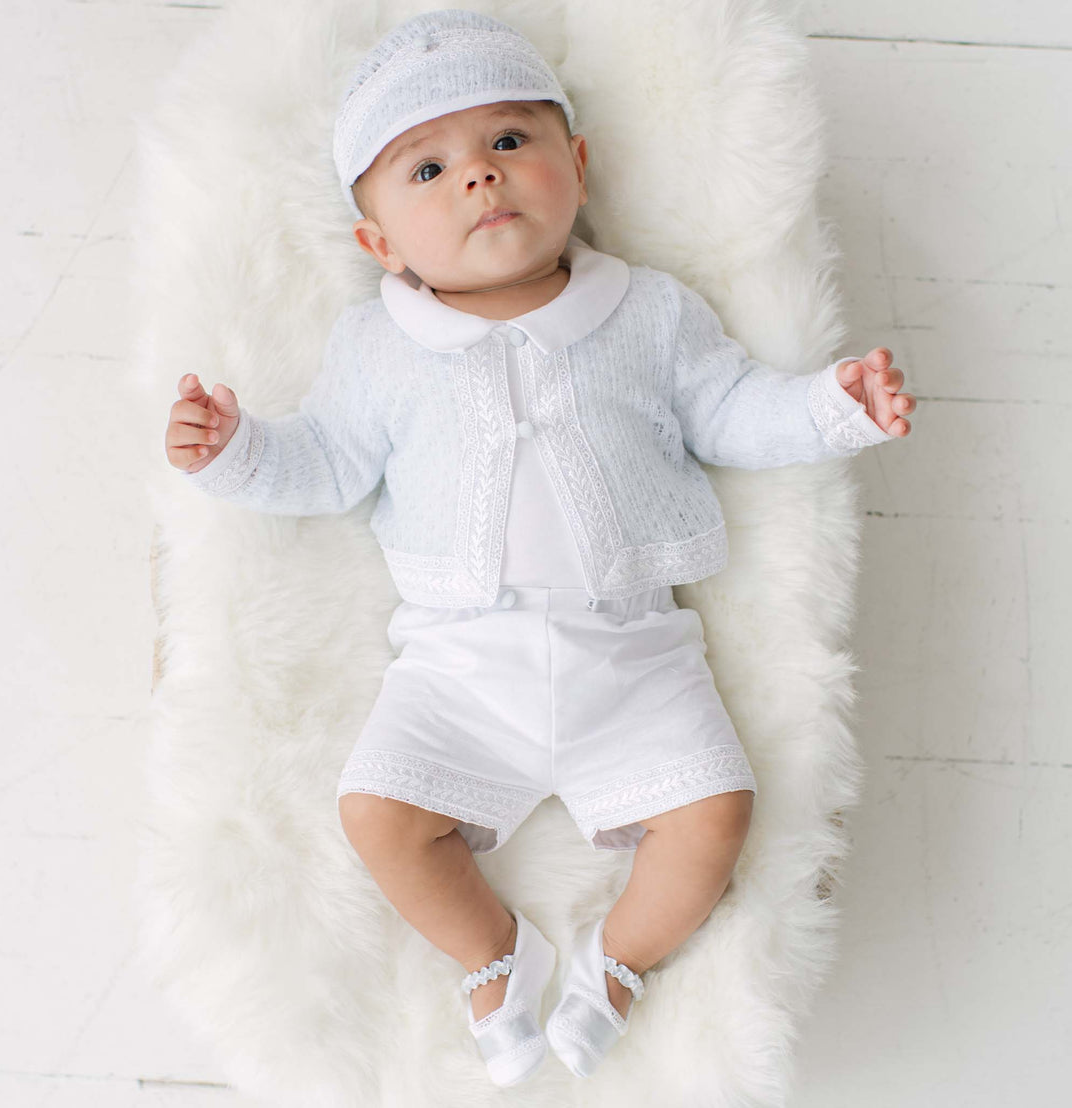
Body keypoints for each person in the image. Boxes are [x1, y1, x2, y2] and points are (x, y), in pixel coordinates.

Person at [162, 8, 917, 1088]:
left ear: (579, 163)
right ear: (377, 242)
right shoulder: (378, 347)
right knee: (376, 814)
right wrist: (234, 452)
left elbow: (734, 413)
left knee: (714, 814)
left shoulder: (651, 314)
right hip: (459, 666)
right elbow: (323, 463)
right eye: (427, 167)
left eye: (509, 141)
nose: (478, 176)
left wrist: (834, 408)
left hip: (634, 652)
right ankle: (493, 957)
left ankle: (617, 961)